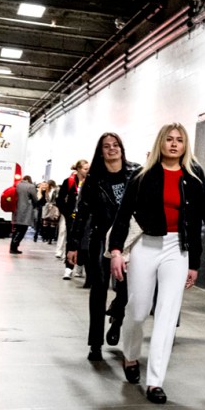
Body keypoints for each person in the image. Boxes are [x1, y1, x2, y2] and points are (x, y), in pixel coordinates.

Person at [108, 123, 205, 404]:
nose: (174, 144)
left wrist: (194, 262)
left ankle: (155, 382)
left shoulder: (194, 176)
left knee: (167, 315)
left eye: (179, 140)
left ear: (185, 145)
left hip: (178, 250)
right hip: (146, 246)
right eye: (169, 139)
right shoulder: (142, 176)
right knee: (138, 311)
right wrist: (116, 250)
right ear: (160, 143)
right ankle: (130, 356)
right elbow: (123, 213)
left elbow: (199, 219)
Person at [68, 133, 141, 361]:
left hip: (130, 239)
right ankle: (95, 343)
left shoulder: (136, 172)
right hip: (101, 237)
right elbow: (82, 214)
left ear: (122, 147)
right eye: (107, 146)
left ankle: (117, 317)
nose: (112, 149)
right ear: (101, 152)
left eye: (116, 145)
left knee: (129, 289)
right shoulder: (93, 179)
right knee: (99, 288)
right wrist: (73, 245)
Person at [56, 160, 88, 277]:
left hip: (85, 217)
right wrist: (66, 213)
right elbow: (60, 199)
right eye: (85, 169)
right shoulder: (69, 181)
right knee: (71, 240)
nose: (87, 171)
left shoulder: (90, 182)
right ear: (79, 169)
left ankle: (80, 265)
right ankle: (68, 268)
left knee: (83, 242)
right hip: (72, 217)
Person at [9, 175, 40, 254]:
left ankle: (12, 247)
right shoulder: (31, 186)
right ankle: (14, 247)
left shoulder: (17, 185)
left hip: (16, 210)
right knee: (22, 230)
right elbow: (35, 199)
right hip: (26, 211)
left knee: (16, 229)